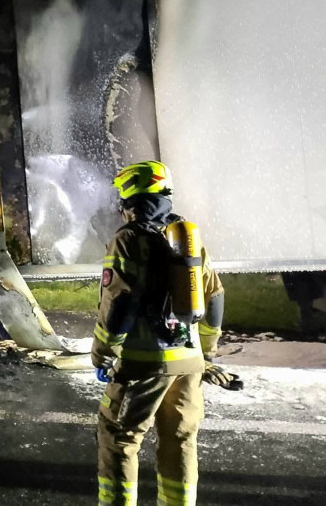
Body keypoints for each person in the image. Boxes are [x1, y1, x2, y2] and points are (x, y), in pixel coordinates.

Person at [91, 161, 233, 506]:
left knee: (120, 439)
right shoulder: (188, 236)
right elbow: (215, 297)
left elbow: (119, 303)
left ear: (131, 198)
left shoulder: (128, 239)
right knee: (181, 439)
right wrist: (208, 351)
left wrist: (103, 353)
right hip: (189, 362)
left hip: (144, 362)